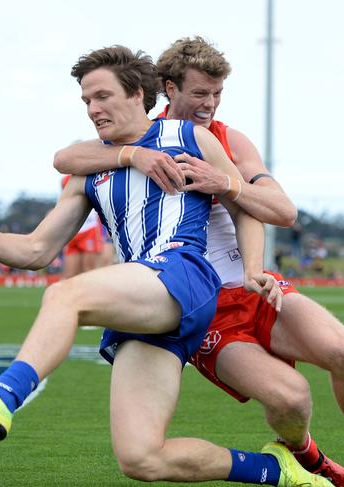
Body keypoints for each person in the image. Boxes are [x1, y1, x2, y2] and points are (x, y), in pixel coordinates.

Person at [0, 46, 332, 486]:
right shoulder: (89, 169)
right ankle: (275, 471)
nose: (93, 109)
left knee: (66, 294)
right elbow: (36, 250)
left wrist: (251, 268)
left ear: (137, 94)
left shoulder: (189, 138)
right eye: (86, 101)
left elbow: (244, 206)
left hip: (183, 273)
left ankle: (4, 394)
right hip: (146, 303)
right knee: (142, 458)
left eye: (102, 97)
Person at [53, 37, 344, 485]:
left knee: (341, 351)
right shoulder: (135, 138)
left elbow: (282, 212)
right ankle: (308, 460)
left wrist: (225, 184)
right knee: (290, 399)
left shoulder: (227, 139)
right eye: (199, 93)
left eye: (217, 94)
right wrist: (132, 155)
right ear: (168, 89)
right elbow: (65, 158)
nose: (210, 104)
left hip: (253, 283)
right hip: (201, 304)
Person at [60, 174, 103, 279]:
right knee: (69, 275)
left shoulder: (93, 175)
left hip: (90, 229)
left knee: (89, 273)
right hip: (72, 231)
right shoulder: (66, 180)